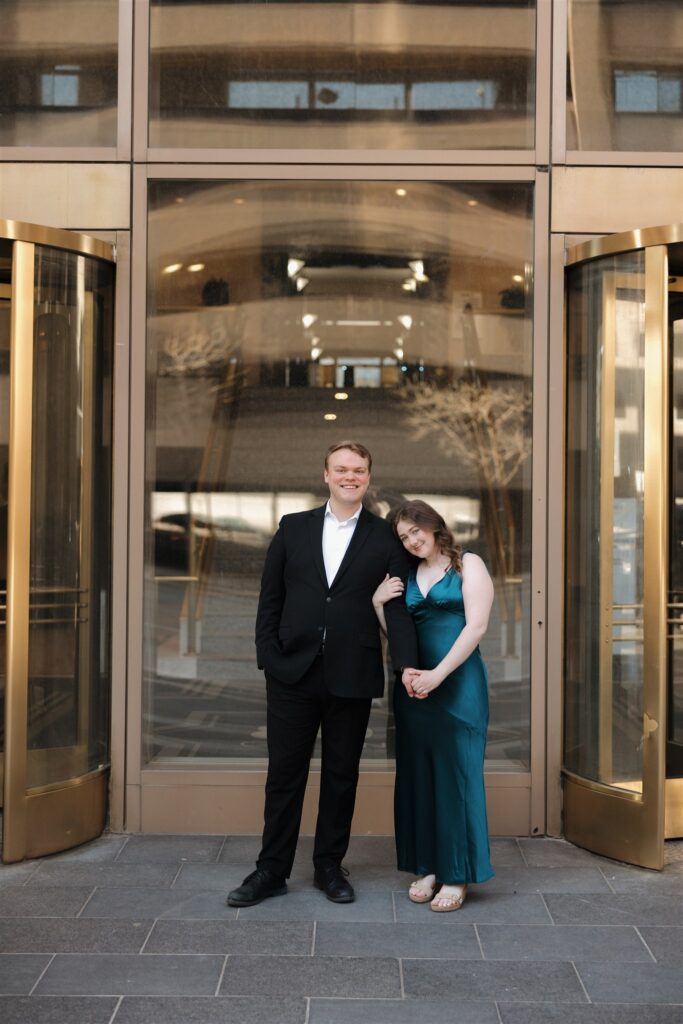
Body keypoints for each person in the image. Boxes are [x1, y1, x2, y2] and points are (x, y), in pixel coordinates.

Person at [227, 441, 418, 908]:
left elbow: (397, 611)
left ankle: (329, 866)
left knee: (341, 775)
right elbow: (269, 598)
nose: (350, 476)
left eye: (359, 470)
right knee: (284, 775)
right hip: (292, 672)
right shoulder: (293, 528)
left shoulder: (385, 537)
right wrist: (268, 656)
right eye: (341, 469)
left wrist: (408, 665)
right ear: (326, 475)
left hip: (351, 673)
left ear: (368, 478)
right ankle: (271, 870)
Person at [372, 499, 495, 912]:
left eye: (415, 531)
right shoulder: (408, 575)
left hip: (457, 685)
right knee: (419, 777)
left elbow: (476, 626)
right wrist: (378, 606)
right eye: (404, 537)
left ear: (433, 525)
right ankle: (426, 866)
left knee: (456, 778)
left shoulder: (468, 564)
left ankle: (456, 874)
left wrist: (438, 674)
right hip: (416, 689)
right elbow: (400, 633)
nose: (411, 541)